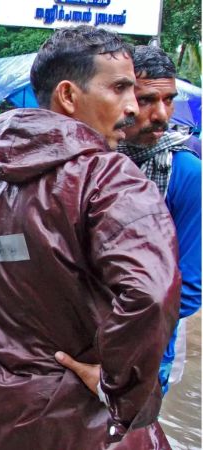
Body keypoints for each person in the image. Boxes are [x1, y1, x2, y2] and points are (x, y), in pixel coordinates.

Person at [0, 26, 180, 449]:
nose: (132, 109)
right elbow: (151, 295)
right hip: (81, 424)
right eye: (120, 89)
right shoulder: (109, 178)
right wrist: (115, 386)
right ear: (68, 95)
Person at [117, 45, 201, 395]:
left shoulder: (185, 173)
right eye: (147, 99)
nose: (162, 114)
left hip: (148, 355)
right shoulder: (91, 161)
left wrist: (106, 334)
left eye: (168, 100)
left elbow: (189, 290)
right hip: (75, 347)